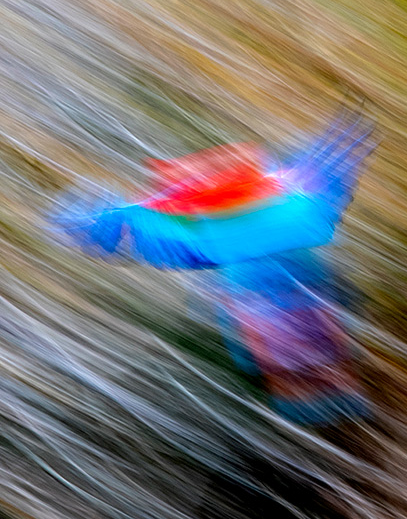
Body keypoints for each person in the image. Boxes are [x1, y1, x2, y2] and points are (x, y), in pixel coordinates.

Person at [50, 110, 376, 425]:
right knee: (311, 339)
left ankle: (320, 403)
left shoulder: (163, 213)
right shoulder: (278, 190)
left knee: (287, 349)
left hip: (257, 281)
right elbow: (304, 179)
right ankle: (338, 398)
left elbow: (140, 232)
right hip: (284, 271)